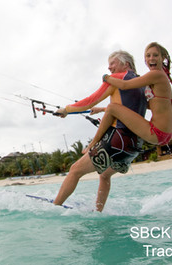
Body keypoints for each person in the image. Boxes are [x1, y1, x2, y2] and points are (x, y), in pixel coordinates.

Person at [53, 50, 147, 212]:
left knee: (75, 170)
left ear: (126, 64)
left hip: (117, 139)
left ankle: (54, 208)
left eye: (113, 63)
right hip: (133, 146)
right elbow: (129, 109)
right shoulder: (142, 83)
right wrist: (104, 109)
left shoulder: (117, 79)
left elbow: (90, 100)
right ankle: (98, 212)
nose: (109, 67)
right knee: (105, 175)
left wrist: (67, 110)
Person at [86, 42, 172, 152]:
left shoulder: (156, 75)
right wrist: (101, 109)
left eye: (155, 55)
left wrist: (107, 77)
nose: (151, 58)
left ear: (162, 58)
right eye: (148, 55)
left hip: (156, 132)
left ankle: (92, 144)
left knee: (112, 107)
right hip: (165, 133)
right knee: (113, 109)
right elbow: (146, 106)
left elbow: (124, 85)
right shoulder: (159, 77)